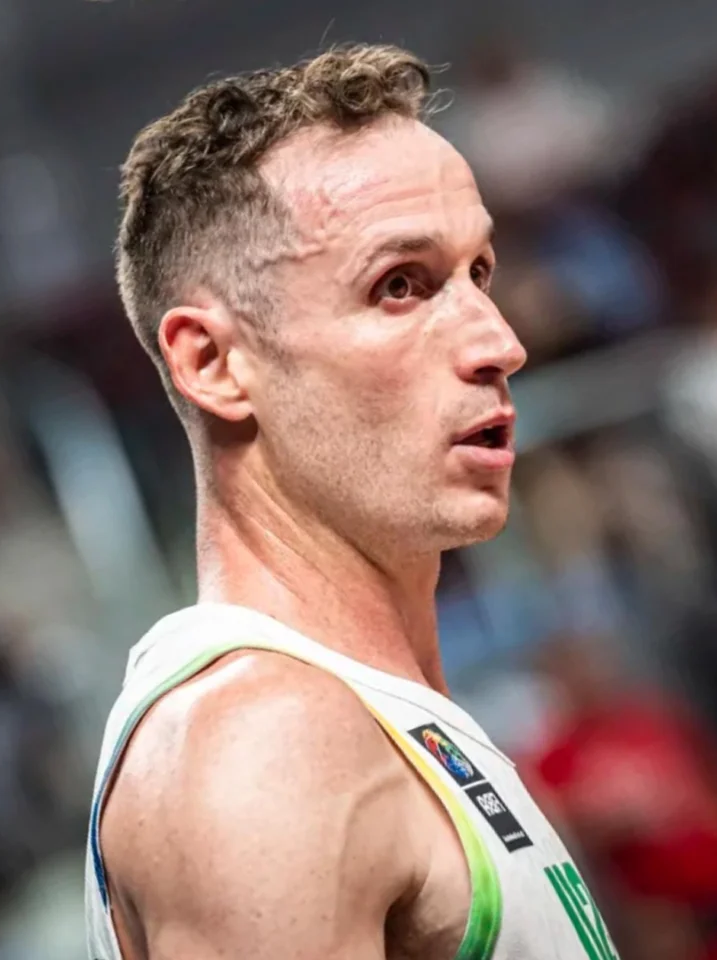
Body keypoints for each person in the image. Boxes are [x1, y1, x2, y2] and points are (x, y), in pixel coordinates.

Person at [84, 44, 621, 960]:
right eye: (399, 285)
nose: (500, 342)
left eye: (479, 274)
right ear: (214, 364)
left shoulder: (347, 714)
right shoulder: (262, 746)